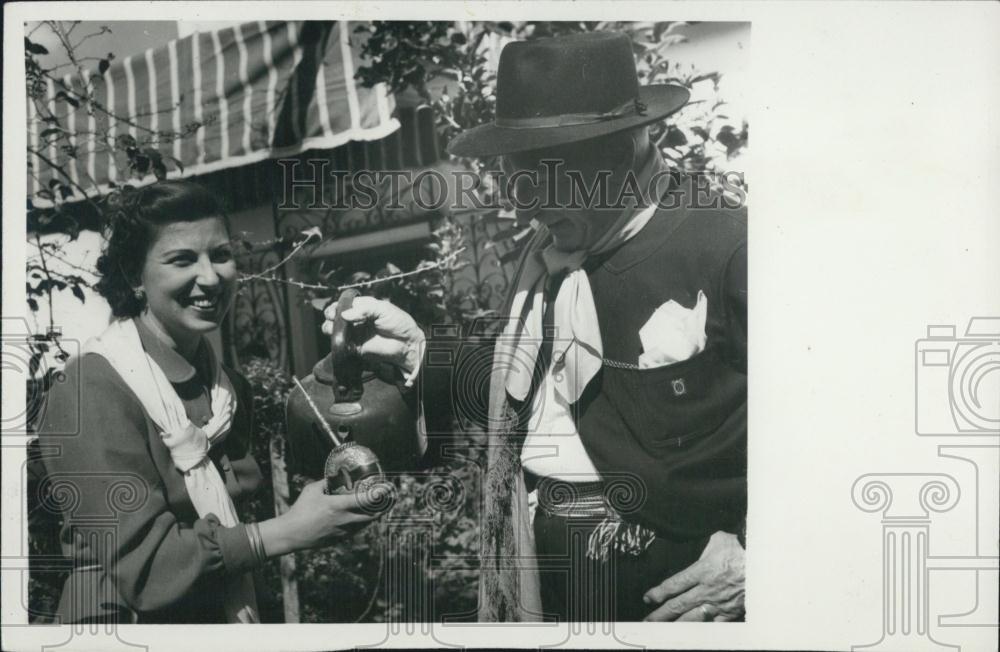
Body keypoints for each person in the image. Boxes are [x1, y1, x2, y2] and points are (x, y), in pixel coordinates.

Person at [323, 31, 746, 622]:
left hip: (676, 588)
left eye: (545, 181)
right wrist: (415, 346)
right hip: (546, 572)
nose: (526, 209)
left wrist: (758, 554)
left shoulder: (727, 244)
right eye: (517, 181)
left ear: (623, 153)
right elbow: (518, 390)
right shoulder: (542, 260)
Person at [38, 181, 391, 624]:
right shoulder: (90, 388)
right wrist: (285, 533)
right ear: (134, 276)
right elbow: (150, 571)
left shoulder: (227, 389)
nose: (210, 277)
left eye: (220, 255)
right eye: (182, 260)